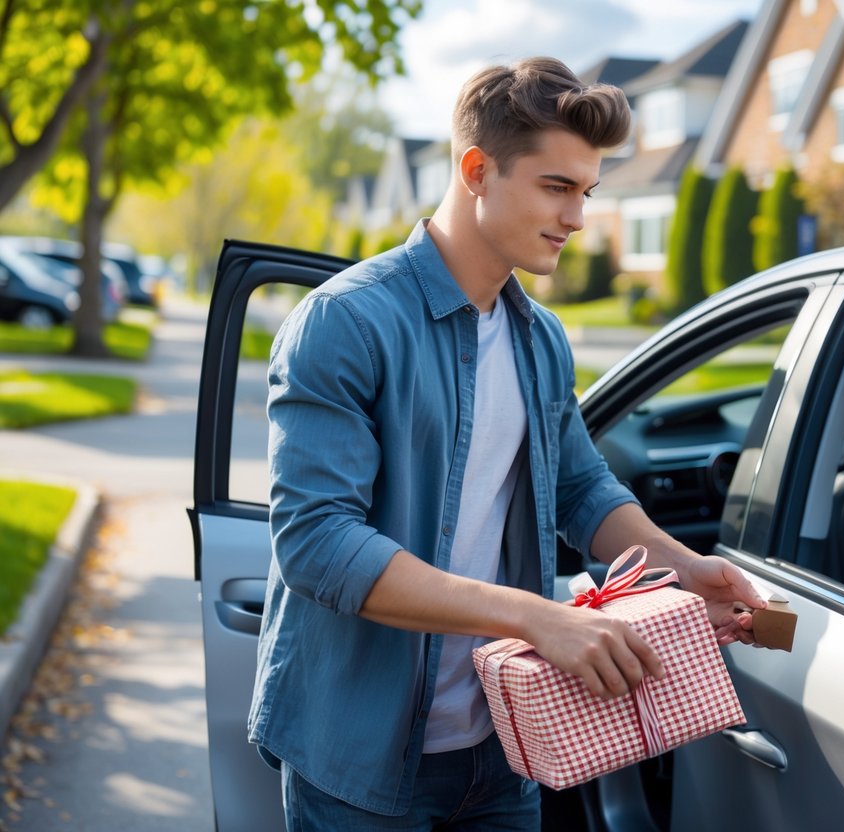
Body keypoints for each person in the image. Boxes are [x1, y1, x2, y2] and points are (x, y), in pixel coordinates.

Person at [252, 56, 767, 830]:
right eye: (556, 187)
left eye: (585, 191)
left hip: (504, 753)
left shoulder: (540, 338)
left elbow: (580, 489)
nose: (577, 217)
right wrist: (533, 616)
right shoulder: (346, 323)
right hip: (355, 758)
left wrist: (686, 568)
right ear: (476, 170)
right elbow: (317, 544)